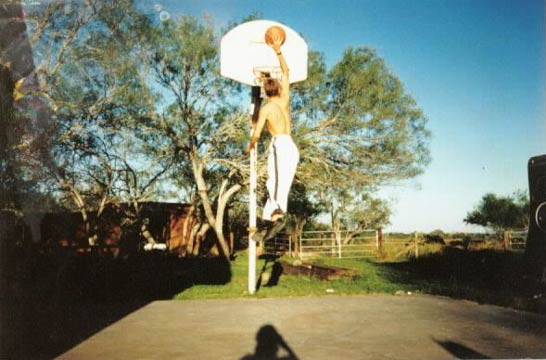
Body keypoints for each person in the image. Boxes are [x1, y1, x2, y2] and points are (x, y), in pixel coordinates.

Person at [247, 32, 299, 241]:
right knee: (275, 184)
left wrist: (250, 145)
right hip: (289, 146)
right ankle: (269, 222)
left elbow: (257, 133)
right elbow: (286, 71)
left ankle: (278, 216)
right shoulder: (284, 98)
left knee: (276, 185)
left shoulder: (268, 108)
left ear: (265, 91)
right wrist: (278, 52)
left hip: (282, 146)